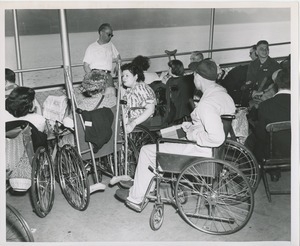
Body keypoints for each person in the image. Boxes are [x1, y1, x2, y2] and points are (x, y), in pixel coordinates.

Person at [115, 59, 236, 211]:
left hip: (200, 150)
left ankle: (136, 198)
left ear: (198, 77)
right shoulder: (222, 94)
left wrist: (193, 133)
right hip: (213, 150)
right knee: (165, 136)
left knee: (147, 150)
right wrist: (193, 126)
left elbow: (216, 138)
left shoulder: (207, 104)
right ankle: (147, 185)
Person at [245, 68, 290, 182]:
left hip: (274, 154)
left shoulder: (265, 106)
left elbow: (261, 136)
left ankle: (252, 176)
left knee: (252, 140)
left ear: (276, 84)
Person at [83, 23, 120, 94]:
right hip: (96, 76)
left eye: (111, 35)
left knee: (111, 96)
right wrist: (92, 78)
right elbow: (86, 65)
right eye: (108, 34)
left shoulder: (111, 45)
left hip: (108, 76)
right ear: (101, 33)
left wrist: (117, 66)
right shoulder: (91, 47)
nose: (110, 37)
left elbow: (118, 57)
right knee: (98, 97)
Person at [244, 40, 281, 109]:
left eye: (266, 49)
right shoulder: (252, 64)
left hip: (268, 97)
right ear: (256, 52)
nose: (264, 51)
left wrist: (263, 92)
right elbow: (249, 81)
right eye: (261, 49)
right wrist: (252, 92)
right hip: (254, 97)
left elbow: (277, 84)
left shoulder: (275, 65)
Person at [121, 63, 156, 133]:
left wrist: (133, 123)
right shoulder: (130, 89)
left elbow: (150, 109)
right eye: (123, 76)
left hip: (140, 125)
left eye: (127, 76)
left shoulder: (141, 88)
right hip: (131, 122)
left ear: (136, 76)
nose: (123, 78)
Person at [165, 59, 195, 124]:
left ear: (174, 69)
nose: (168, 70)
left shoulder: (170, 82)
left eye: (170, 68)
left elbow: (169, 98)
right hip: (188, 111)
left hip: (176, 113)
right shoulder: (187, 80)